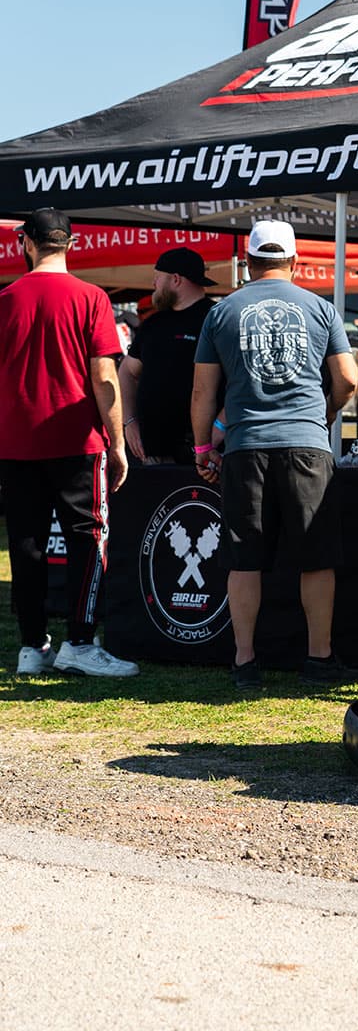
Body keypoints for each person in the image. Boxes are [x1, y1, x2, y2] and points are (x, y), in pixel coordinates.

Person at [191, 219, 358, 692]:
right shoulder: (319, 308)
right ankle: (319, 659)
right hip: (307, 444)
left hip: (246, 447)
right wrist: (321, 414)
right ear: (294, 260)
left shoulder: (222, 312)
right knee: (316, 558)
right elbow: (347, 379)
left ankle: (245, 662)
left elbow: (203, 389)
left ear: (247, 261)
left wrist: (203, 446)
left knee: (244, 558)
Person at [0, 207, 138, 678]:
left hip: (16, 442)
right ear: (70, 244)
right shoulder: (91, 297)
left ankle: (32, 646)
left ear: (27, 244)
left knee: (26, 544)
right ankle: (78, 641)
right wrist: (117, 443)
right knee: (88, 540)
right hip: (78, 441)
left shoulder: (7, 299)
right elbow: (105, 378)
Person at [120, 246, 216, 462]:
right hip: (152, 452)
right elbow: (127, 371)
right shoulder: (154, 323)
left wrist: (218, 430)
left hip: (203, 452)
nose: (154, 284)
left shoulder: (215, 318)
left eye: (157, 278)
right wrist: (129, 421)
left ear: (175, 279)